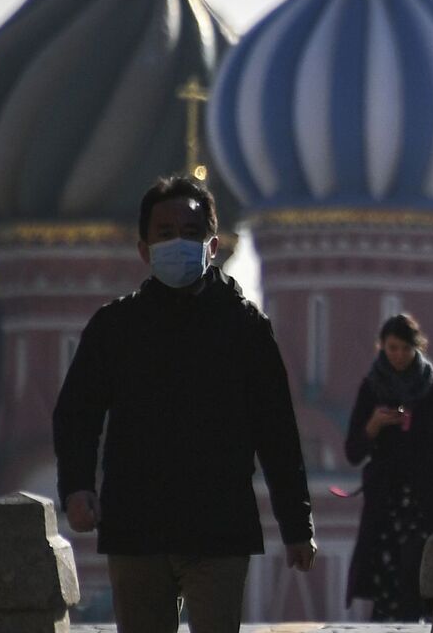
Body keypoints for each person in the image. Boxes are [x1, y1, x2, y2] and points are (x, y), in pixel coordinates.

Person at [53, 176, 316, 633]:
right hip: (137, 526)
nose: (179, 243)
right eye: (166, 234)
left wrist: (297, 525)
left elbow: (276, 433)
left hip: (218, 528)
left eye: (192, 234)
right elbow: (77, 413)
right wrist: (77, 487)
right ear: (144, 249)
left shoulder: (245, 328)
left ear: (213, 246)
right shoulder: (117, 327)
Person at [342, 313, 433, 621]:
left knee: (423, 573)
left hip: (428, 499)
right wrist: (374, 424)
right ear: (382, 348)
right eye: (392, 348)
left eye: (404, 348)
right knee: (388, 581)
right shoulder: (372, 388)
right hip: (387, 503)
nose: (398, 355)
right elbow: (353, 451)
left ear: (417, 348)